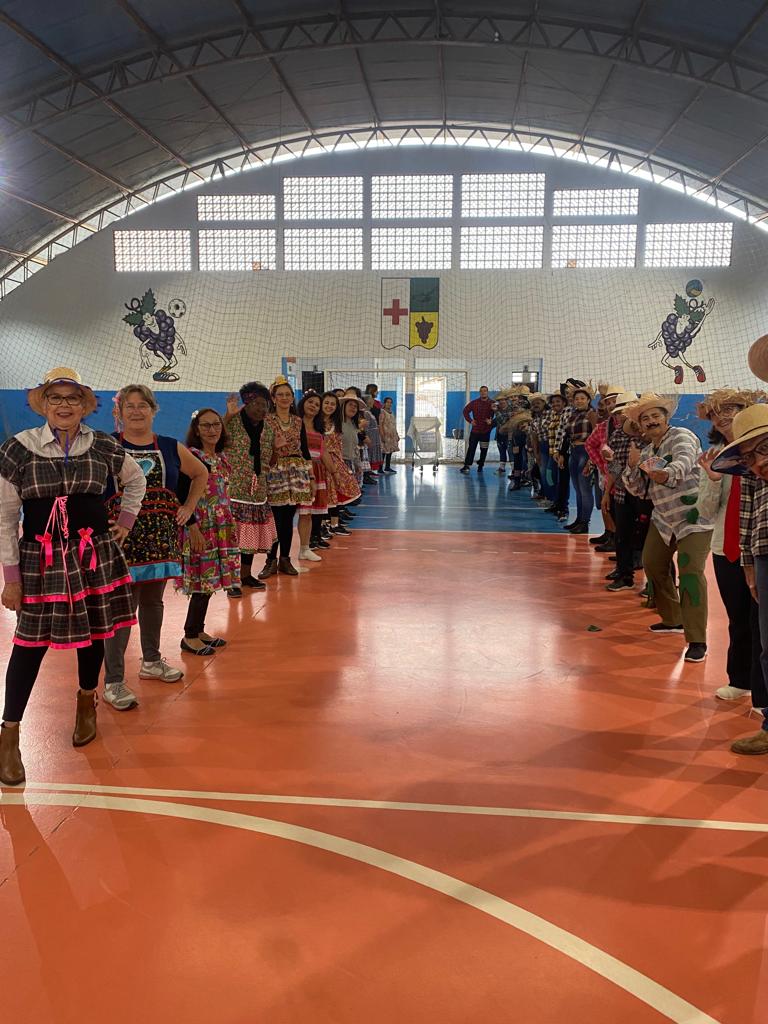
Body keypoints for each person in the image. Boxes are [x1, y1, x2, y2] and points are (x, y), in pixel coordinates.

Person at [0, 368, 147, 786]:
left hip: (94, 554)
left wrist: (125, 520)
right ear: (44, 404)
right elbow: (5, 516)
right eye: (55, 398)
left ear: (84, 405)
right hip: (40, 561)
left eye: (72, 398)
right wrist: (11, 577)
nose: (64, 405)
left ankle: (87, 701)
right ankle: (9, 735)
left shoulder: (102, 445)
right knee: (29, 645)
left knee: (96, 632)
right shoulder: (18, 449)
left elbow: (136, 479)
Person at [103, 384, 208, 711]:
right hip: (120, 537)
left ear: (153, 409)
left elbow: (201, 473)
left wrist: (189, 508)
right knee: (122, 607)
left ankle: (151, 661)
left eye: (142, 405)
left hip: (160, 536)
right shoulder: (107, 445)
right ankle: (113, 681)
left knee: (153, 600)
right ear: (119, 412)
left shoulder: (169, 446)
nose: (136, 411)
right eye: (129, 406)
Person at [623, 393, 713, 663]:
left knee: (690, 573)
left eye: (655, 416)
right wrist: (631, 466)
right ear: (641, 426)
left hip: (693, 518)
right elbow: (640, 490)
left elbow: (679, 467)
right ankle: (673, 619)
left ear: (665, 417)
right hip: (663, 520)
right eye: (645, 418)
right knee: (652, 564)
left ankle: (697, 639)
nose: (651, 421)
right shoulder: (648, 452)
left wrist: (655, 468)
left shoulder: (682, 436)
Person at [710, 404, 768, 753]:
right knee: (767, 649)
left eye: (763, 448)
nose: (757, 462)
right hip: (763, 556)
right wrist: (749, 562)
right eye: (748, 457)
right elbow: (747, 516)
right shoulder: (755, 478)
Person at [176, 409, 240, 654]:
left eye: (216, 425)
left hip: (220, 527)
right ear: (196, 429)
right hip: (201, 526)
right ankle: (189, 635)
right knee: (202, 581)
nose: (212, 430)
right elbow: (182, 495)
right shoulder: (191, 456)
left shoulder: (221, 457)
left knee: (211, 581)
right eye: (206, 426)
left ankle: (198, 629)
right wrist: (191, 527)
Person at [224, 382, 276, 597]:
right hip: (235, 489)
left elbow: (270, 461)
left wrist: (278, 450)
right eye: (257, 404)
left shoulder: (269, 429)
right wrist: (227, 416)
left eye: (265, 405)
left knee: (250, 538)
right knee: (234, 539)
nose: (262, 409)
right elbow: (213, 437)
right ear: (246, 403)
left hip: (258, 492)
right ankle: (232, 580)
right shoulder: (232, 423)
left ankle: (245, 575)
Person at [259, 376, 314, 577]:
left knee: (289, 518)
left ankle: (285, 560)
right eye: (280, 394)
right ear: (273, 398)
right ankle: (270, 560)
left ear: (292, 398)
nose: (284, 397)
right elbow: (260, 449)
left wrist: (312, 478)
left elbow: (306, 451)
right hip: (274, 471)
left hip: (296, 472)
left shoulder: (298, 421)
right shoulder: (266, 420)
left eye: (287, 394)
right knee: (275, 519)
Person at [297, 391, 335, 562]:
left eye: (317, 404)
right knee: (302, 512)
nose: (313, 406)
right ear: (303, 403)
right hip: (300, 471)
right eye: (310, 402)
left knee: (309, 513)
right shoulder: (295, 424)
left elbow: (323, 451)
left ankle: (305, 548)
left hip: (317, 471)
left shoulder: (319, 429)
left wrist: (334, 472)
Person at [320, 391, 360, 535]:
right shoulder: (315, 423)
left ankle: (334, 524)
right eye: (326, 403)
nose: (329, 406)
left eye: (332, 404)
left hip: (335, 461)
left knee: (336, 492)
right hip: (319, 463)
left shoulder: (336, 424)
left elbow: (338, 445)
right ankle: (322, 525)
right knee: (323, 495)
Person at [563, 386, 597, 535]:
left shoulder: (592, 414)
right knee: (577, 489)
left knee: (585, 488)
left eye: (582, 398)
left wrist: (592, 458)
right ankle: (578, 519)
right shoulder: (573, 414)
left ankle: (585, 522)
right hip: (574, 451)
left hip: (585, 451)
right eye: (577, 399)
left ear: (588, 400)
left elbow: (596, 435)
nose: (579, 401)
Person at [461, 386, 495, 473]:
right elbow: (465, 411)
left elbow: (500, 413)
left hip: (486, 431)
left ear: (488, 392)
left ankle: (481, 465)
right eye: (481, 391)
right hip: (475, 430)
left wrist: (492, 421)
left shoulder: (493, 403)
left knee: (484, 449)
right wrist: (471, 420)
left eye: (485, 391)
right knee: (471, 448)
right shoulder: (474, 403)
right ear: (479, 392)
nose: (483, 392)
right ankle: (467, 466)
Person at [379, 396, 400, 473]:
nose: (389, 404)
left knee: (390, 451)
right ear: (384, 403)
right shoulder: (382, 412)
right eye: (388, 402)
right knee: (383, 452)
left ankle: (387, 467)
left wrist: (396, 434)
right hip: (385, 435)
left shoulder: (392, 412)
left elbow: (393, 424)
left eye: (391, 402)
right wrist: (382, 435)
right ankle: (380, 468)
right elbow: (380, 424)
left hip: (392, 435)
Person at [493, 397, 511, 476]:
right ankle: (502, 468)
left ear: (506, 401)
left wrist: (496, 411)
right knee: (501, 450)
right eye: (499, 400)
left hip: (509, 434)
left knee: (510, 452)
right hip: (500, 434)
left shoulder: (510, 410)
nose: (501, 402)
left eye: (503, 400)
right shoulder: (498, 410)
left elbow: (503, 421)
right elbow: (497, 421)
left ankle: (514, 470)